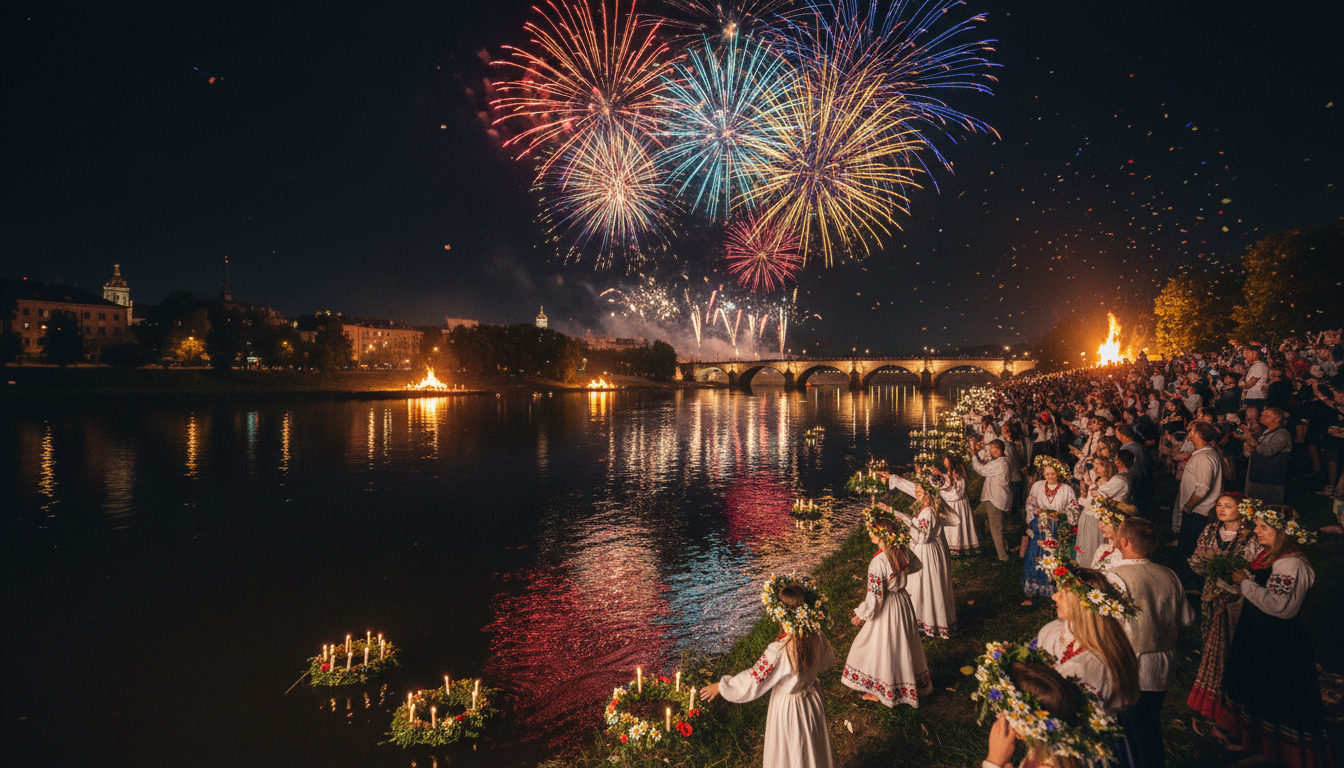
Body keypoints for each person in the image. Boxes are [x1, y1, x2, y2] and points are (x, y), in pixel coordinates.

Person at [1221, 505, 1329, 768]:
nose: (1256, 531)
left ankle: (1273, 752)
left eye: (1263, 527)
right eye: (1257, 526)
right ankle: (1254, 743)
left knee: (1275, 693)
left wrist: (1245, 583)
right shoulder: (1272, 555)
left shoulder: (1291, 564)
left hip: (1278, 641)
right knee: (1255, 687)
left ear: (1281, 532)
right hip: (1260, 634)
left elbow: (1280, 606)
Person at [701, 577, 836, 768]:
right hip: (811, 700)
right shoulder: (814, 634)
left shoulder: (780, 650)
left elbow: (754, 678)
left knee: (793, 748)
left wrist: (722, 687)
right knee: (811, 745)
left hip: (790, 708)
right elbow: (824, 660)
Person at [1103, 518, 1195, 768]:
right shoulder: (1169, 574)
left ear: (1124, 541)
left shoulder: (1115, 577)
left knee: (1134, 733)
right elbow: (1187, 618)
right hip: (1164, 663)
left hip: (1132, 664)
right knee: (1148, 725)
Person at [1186, 493, 1262, 732]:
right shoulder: (1210, 530)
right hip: (1211, 590)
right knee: (1211, 635)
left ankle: (1232, 693)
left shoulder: (1250, 536)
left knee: (1233, 640)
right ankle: (1212, 682)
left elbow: (1251, 566)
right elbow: (1197, 558)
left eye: (1228, 506)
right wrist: (1210, 567)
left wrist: (1229, 573)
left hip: (1238, 595)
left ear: (1243, 510)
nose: (1221, 509)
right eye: (1219, 505)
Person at [840, 512, 931, 707]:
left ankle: (883, 690)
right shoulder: (901, 551)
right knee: (902, 643)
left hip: (888, 607)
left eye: (872, 532)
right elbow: (917, 565)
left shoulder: (878, 562)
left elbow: (875, 597)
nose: (870, 535)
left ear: (878, 536)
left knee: (881, 645)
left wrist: (861, 615)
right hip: (902, 603)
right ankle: (906, 683)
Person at [976, 652, 1123, 768]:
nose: (1000, 715)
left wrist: (993, 761)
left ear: (1026, 723)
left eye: (1006, 710)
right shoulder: (1069, 741)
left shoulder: (1045, 764)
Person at [1035, 564, 1141, 716]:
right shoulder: (1066, 635)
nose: (1054, 596)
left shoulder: (1090, 665)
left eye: (1063, 593)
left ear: (1081, 604)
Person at [881, 478, 958, 638]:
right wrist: (893, 512)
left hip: (926, 551)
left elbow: (921, 537)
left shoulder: (929, 512)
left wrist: (899, 517)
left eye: (920, 490)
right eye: (916, 489)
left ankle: (929, 621)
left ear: (928, 493)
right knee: (920, 585)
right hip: (927, 549)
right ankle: (922, 619)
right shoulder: (925, 508)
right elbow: (916, 525)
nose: (916, 492)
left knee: (925, 584)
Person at [1020, 456, 1077, 604]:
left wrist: (1060, 516)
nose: (1049, 476)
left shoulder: (1066, 489)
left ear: (1058, 473)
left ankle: (1055, 588)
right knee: (1036, 555)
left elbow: (1073, 508)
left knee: (1054, 557)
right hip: (1039, 527)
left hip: (1057, 530)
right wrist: (1037, 514)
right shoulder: (1037, 486)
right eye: (1047, 474)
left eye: (1052, 474)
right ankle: (1034, 587)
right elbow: (1030, 503)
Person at [1174, 422, 1223, 572]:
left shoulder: (1204, 457)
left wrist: (1188, 506)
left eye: (1192, 431)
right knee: (1187, 546)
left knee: (1190, 549)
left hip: (1199, 511)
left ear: (1199, 435)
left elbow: (1203, 488)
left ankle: (1192, 578)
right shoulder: (1203, 454)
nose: (1189, 434)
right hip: (1196, 510)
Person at [1235, 407, 1292, 504]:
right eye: (1262, 415)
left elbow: (1267, 451)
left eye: (1267, 416)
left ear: (1277, 419)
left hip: (1270, 478)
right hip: (1258, 474)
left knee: (1268, 505)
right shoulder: (1267, 431)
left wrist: (1251, 440)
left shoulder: (1282, 434)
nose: (1262, 417)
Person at [928, 454, 979, 556]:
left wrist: (935, 475)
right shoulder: (960, 472)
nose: (945, 463)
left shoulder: (955, 473)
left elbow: (947, 484)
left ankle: (955, 547)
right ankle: (965, 546)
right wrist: (939, 474)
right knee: (962, 523)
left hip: (954, 504)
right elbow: (948, 480)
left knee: (955, 525)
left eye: (946, 461)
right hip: (962, 503)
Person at [971, 438, 1012, 560]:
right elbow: (985, 460)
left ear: (1001, 449)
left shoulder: (1000, 463)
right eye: (991, 449)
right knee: (976, 517)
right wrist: (977, 451)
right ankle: (983, 544)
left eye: (995, 448)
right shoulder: (998, 461)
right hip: (990, 498)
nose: (992, 451)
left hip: (995, 500)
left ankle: (1003, 556)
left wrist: (973, 455)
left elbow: (981, 469)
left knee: (996, 528)